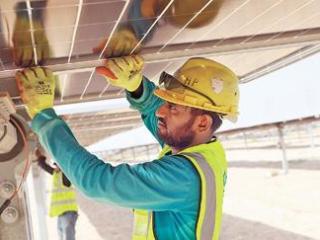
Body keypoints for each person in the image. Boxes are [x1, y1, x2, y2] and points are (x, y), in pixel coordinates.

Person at [16, 55, 239, 240]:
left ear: (202, 123)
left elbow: (98, 182)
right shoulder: (201, 151)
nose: (161, 111)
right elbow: (156, 113)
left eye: (172, 107)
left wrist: (44, 115)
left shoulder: (184, 176)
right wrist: (137, 86)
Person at [35, 148, 78, 240]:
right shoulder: (56, 174)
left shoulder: (65, 176)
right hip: (61, 213)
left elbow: (65, 168)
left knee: (68, 237)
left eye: (57, 165)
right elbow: (46, 167)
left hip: (68, 213)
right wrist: (40, 158)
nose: (55, 167)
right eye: (55, 165)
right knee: (61, 236)